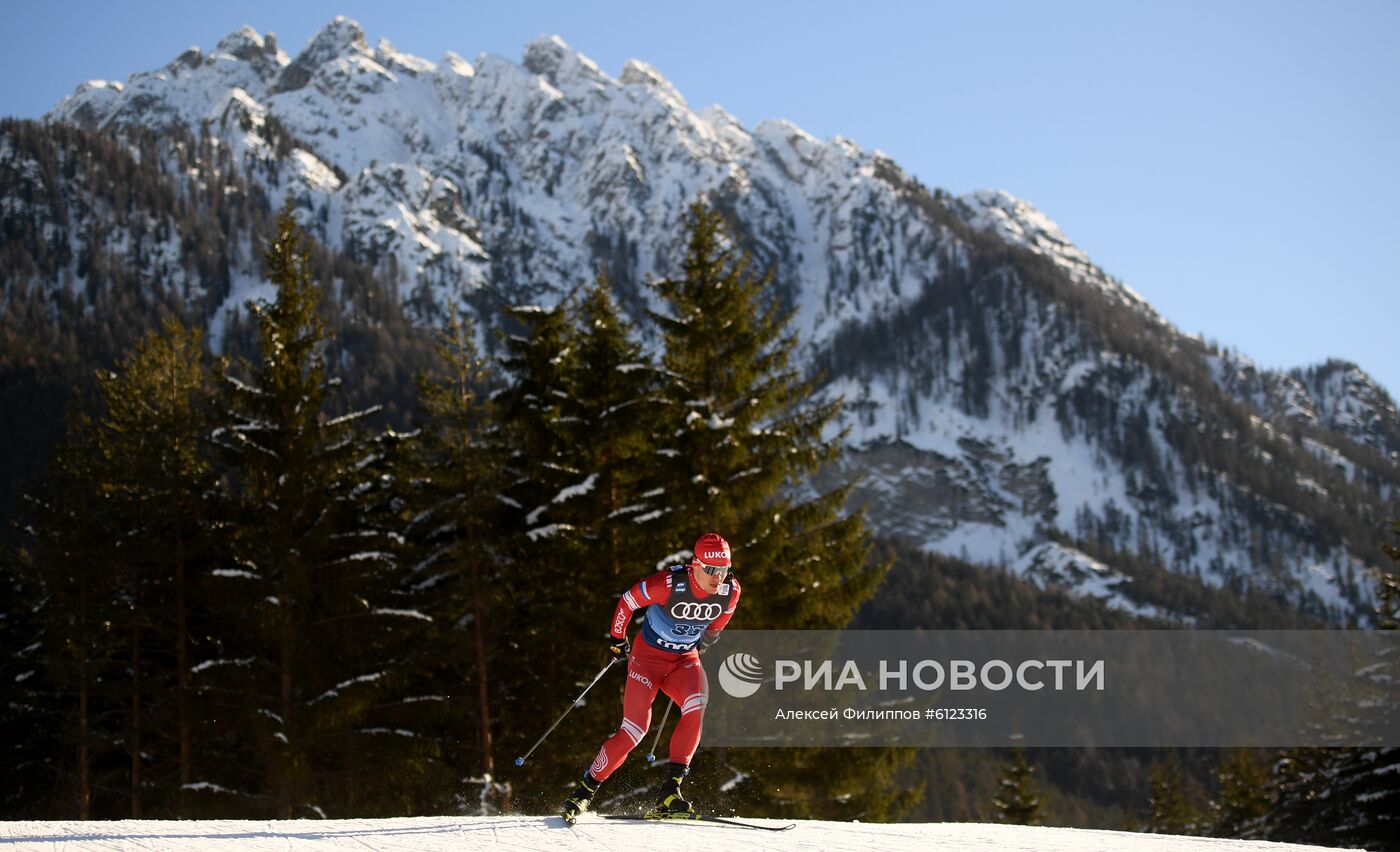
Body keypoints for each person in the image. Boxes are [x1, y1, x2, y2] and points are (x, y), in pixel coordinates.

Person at [561, 532, 742, 822]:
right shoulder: (668, 585)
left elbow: (722, 618)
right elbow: (627, 602)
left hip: (684, 661)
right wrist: (617, 638)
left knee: (697, 707)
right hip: (647, 662)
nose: (717, 577)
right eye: (710, 569)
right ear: (695, 564)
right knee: (634, 731)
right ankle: (584, 790)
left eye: (722, 570)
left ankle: (670, 792)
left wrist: (707, 639)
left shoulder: (730, 590)